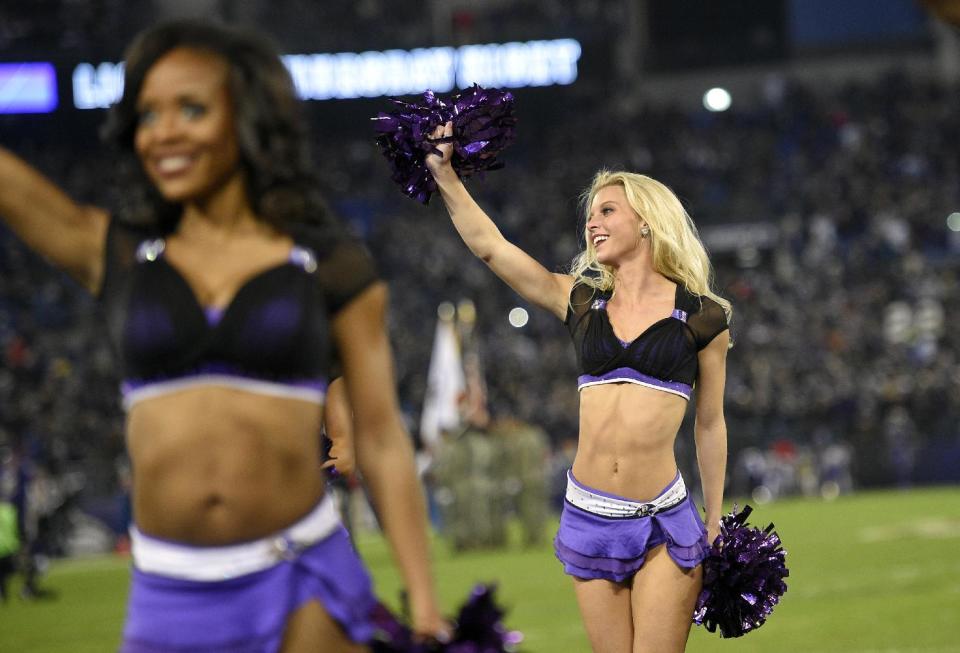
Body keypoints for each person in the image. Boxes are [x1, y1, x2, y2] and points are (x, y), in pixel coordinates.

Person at [0, 19, 446, 652]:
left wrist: (426, 609)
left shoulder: (326, 260)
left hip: (304, 581)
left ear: (245, 120)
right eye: (148, 115)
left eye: (191, 108)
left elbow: (379, 435)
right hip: (170, 592)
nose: (165, 132)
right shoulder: (121, 254)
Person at [426, 122, 730, 653]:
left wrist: (716, 516)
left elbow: (710, 421)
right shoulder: (580, 302)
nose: (594, 222)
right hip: (589, 514)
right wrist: (444, 174)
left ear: (647, 222)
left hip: (664, 517)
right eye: (591, 214)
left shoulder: (703, 317)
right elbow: (492, 249)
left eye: (608, 211)